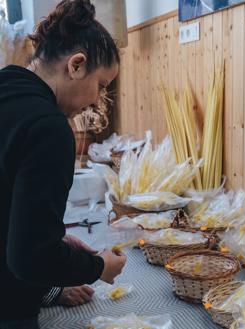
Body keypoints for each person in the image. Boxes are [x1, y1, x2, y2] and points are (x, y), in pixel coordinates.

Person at [0, 0, 126, 328]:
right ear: (76, 65)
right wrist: (97, 268)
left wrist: (50, 286)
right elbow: (29, 257)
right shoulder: (49, 127)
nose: (97, 100)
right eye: (100, 86)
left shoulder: (8, 86)